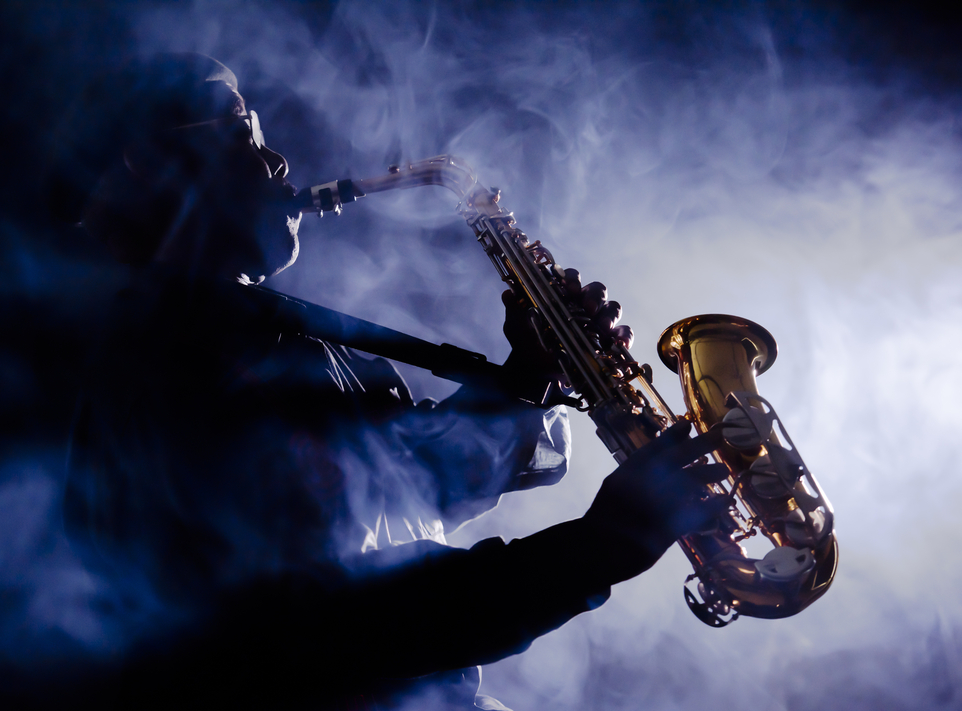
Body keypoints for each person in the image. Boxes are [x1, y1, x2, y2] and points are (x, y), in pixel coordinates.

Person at [48, 54, 727, 710]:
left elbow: (419, 487)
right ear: (157, 166)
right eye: (242, 131)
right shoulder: (170, 364)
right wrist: (598, 547)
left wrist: (532, 373)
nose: (278, 161)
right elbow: (330, 625)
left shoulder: (279, 341)